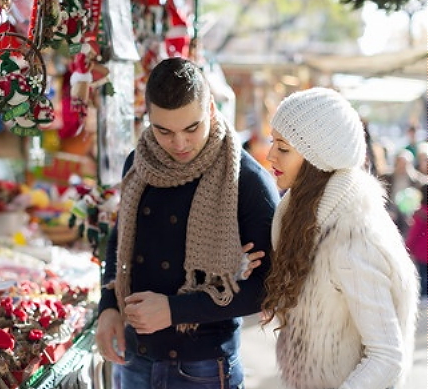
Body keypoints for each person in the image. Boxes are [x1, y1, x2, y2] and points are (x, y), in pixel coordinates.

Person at [95, 57, 280, 389]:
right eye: (164, 130)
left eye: (191, 128)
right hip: (134, 356)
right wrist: (108, 306)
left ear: (210, 108)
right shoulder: (137, 164)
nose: (178, 144)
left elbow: (267, 287)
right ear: (148, 116)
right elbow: (121, 236)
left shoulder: (248, 181)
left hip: (202, 367)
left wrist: (175, 310)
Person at [263, 87, 419, 389]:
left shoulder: (351, 239)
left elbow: (386, 357)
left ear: (316, 160)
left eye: (283, 148)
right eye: (273, 142)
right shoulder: (297, 216)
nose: (270, 155)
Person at [405, 183, 427, 297]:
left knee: (423, 276)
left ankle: (424, 298)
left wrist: (408, 247)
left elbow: (414, 233)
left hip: (422, 253)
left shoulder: (421, 213)